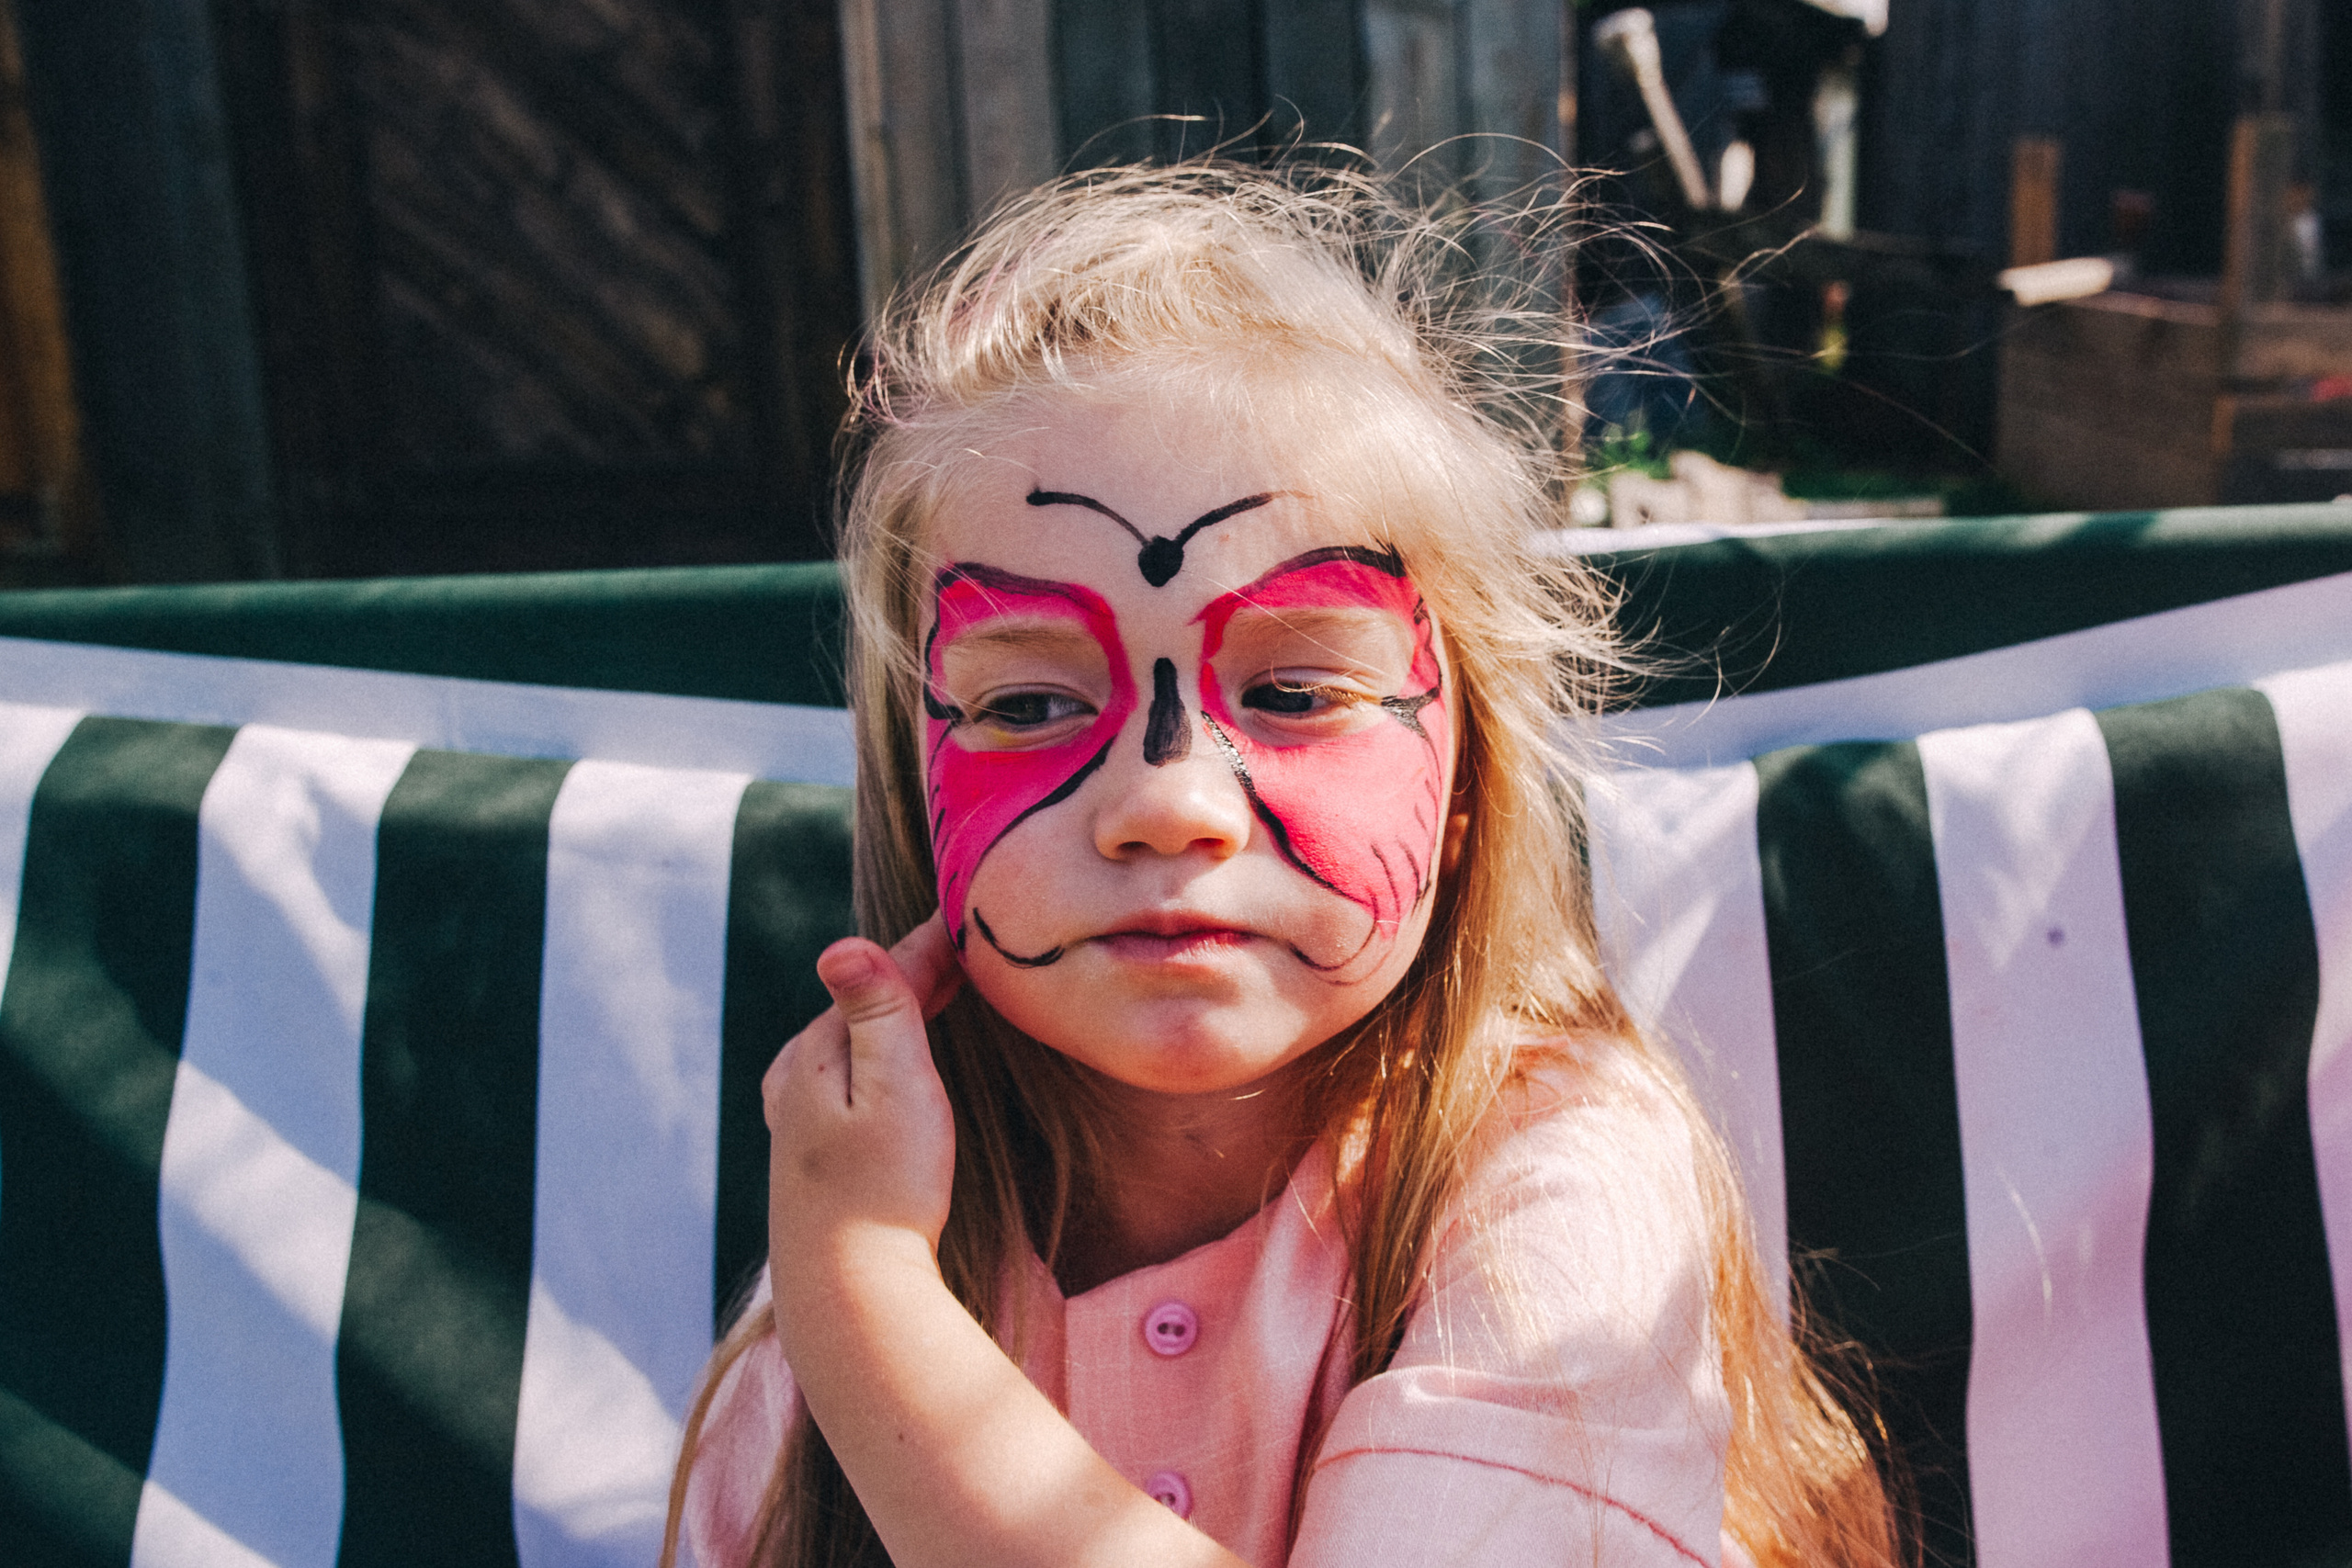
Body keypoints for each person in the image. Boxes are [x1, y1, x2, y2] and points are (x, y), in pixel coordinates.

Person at [662, 162, 1900, 1568]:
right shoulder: (877, 1223)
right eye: (1030, 704)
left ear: (1467, 789)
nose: (1169, 801)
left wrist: (864, 1301)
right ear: (911, 776)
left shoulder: (1557, 1182)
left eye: (1299, 694)